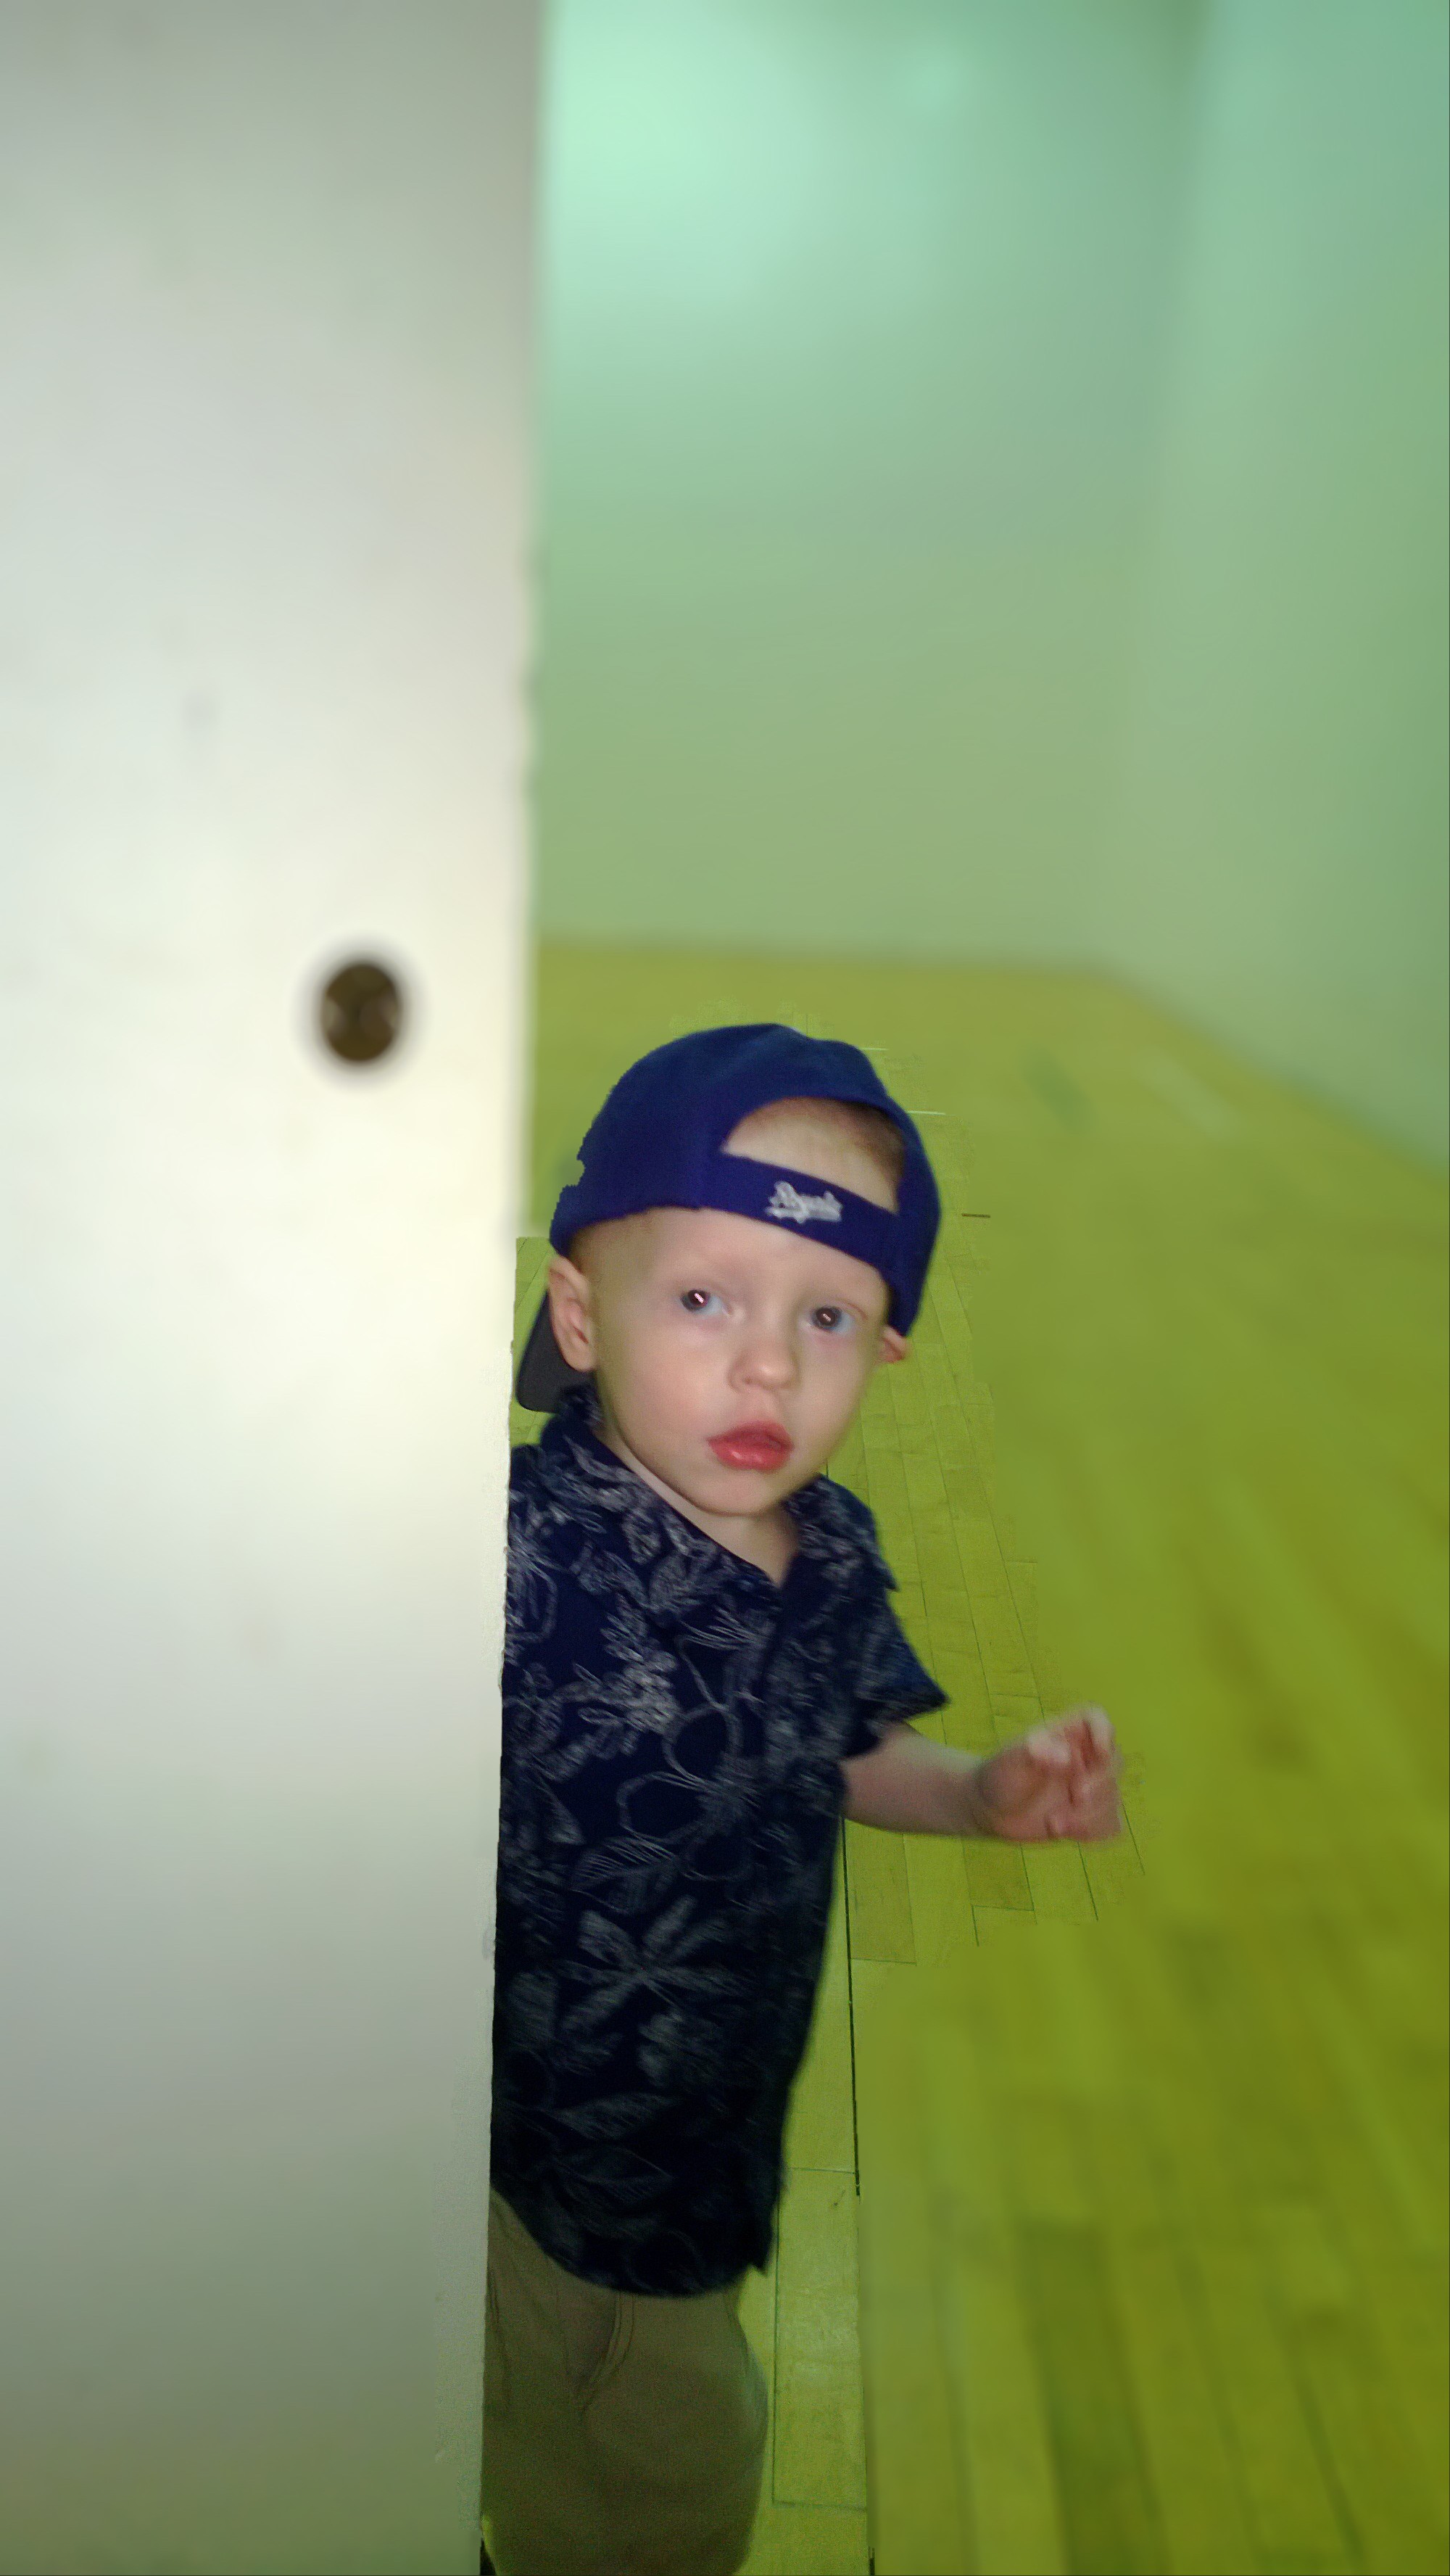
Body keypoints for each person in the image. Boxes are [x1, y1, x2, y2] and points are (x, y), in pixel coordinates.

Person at [480, 1023, 1121, 2576]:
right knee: (663, 2499)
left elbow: (835, 1749)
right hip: (552, 2182)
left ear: (886, 1347)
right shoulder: (509, 1560)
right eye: (704, 1299)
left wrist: (975, 1796)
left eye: (826, 1315)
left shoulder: (828, 1550)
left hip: (707, 2144)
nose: (768, 1363)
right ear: (581, 1311)